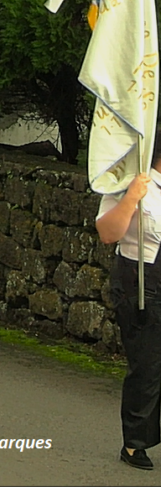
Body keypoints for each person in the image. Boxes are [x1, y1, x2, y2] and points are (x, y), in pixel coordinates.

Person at [96, 139, 161, 471]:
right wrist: (132, 197)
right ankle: (135, 442)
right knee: (148, 364)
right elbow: (108, 233)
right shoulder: (128, 181)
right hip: (141, 280)